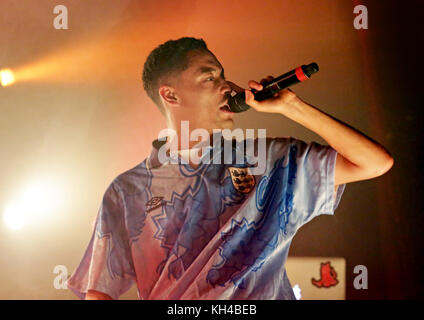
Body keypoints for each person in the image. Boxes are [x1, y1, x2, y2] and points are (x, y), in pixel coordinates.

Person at [66, 37, 393, 300]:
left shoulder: (268, 159)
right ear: (170, 95)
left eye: (223, 76)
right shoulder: (128, 190)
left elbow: (375, 162)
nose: (228, 86)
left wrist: (293, 107)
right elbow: (100, 289)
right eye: (209, 77)